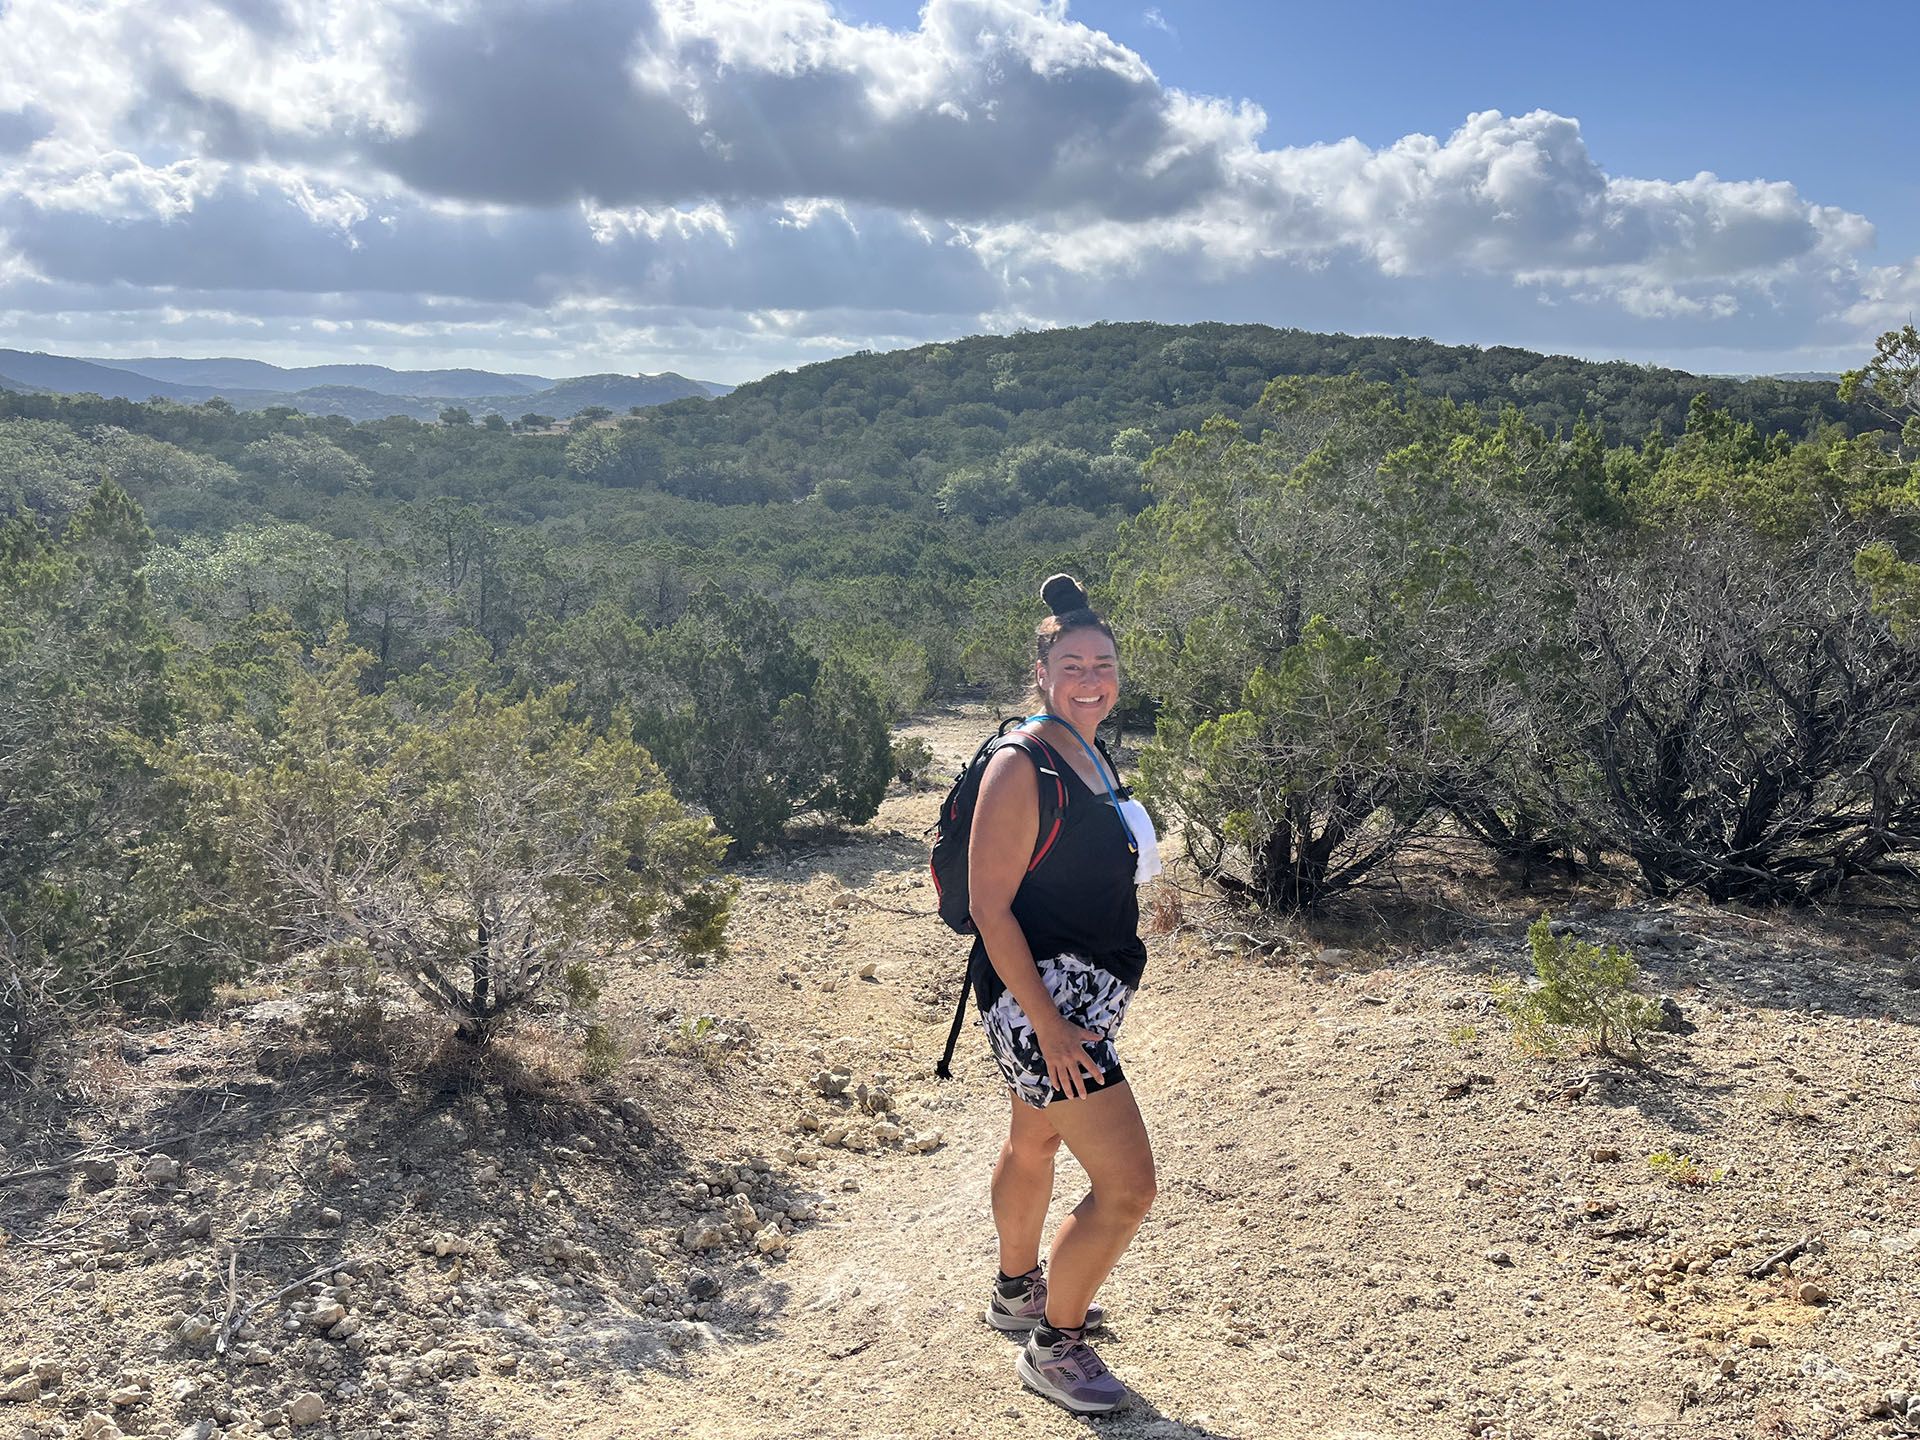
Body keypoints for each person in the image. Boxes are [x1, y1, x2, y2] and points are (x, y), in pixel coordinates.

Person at [966, 573, 1162, 1415]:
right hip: (1044, 1005)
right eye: (1074, 663)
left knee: (1035, 1142)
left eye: (1105, 663)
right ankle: (1055, 1345)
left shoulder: (1087, 749)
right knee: (1128, 1188)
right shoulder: (1022, 763)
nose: (1092, 677)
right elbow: (987, 905)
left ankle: (1018, 1293)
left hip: (1081, 992)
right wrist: (1047, 1025)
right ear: (1042, 671)